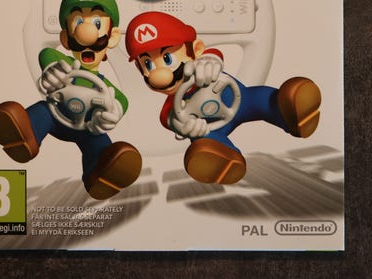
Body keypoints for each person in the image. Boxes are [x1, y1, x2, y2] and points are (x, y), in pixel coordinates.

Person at [125, 11, 321, 185]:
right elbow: (169, 119)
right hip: (211, 128)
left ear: (196, 49)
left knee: (262, 98)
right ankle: (222, 157)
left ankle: (289, 111)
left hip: (241, 101)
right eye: (148, 65)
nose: (158, 75)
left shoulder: (205, 61)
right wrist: (185, 126)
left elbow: (213, 54)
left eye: (167, 58)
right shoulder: (174, 106)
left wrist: (208, 63)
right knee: (204, 141)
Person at [0, 0, 142, 200]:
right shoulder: (62, 62)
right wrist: (54, 71)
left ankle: (101, 172)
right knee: (42, 110)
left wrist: (111, 113)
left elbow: (121, 101)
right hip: (55, 116)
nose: (86, 32)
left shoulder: (106, 88)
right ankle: (24, 136)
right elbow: (47, 56)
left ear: (113, 36)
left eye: (97, 23)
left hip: (86, 128)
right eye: (78, 21)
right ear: (65, 38)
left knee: (99, 140)